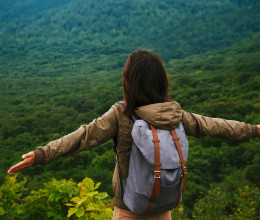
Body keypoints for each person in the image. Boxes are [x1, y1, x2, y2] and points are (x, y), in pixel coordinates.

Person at [8, 50, 260, 220]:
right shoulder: (174, 113)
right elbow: (214, 126)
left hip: (129, 210)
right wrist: (254, 130)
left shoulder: (121, 113)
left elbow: (83, 137)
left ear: (129, 83)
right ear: (162, 82)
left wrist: (40, 155)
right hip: (163, 206)